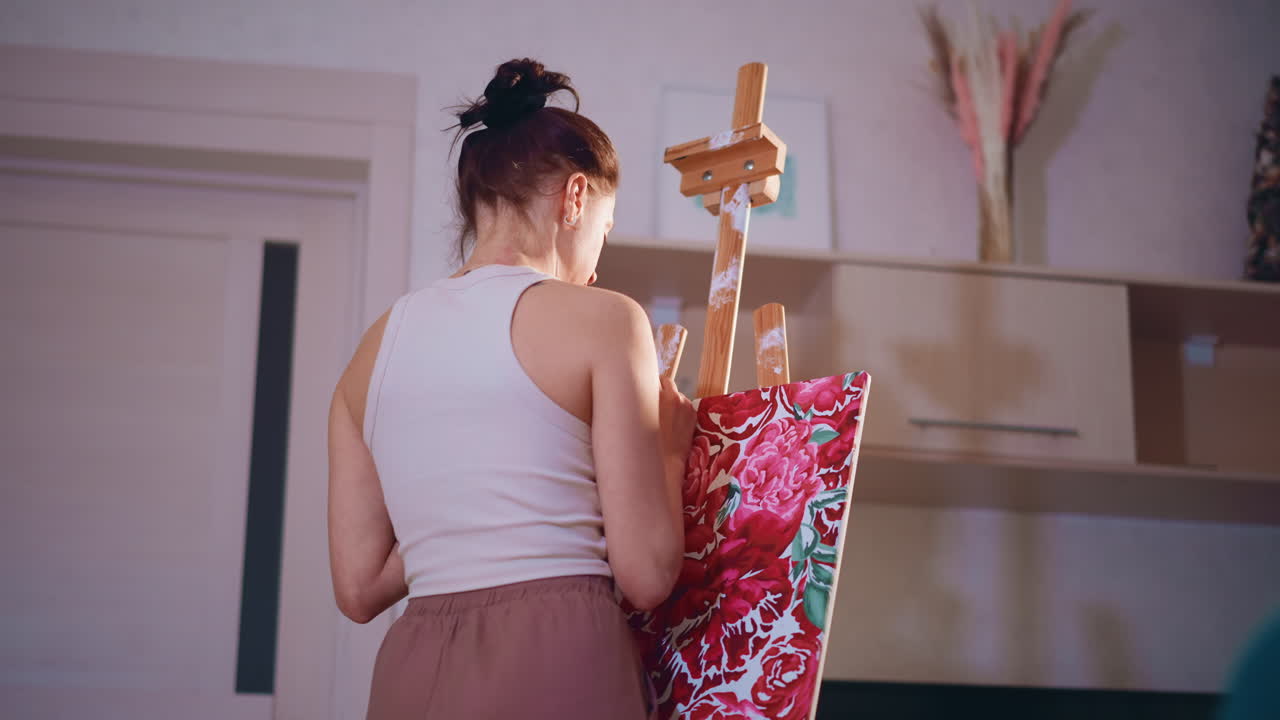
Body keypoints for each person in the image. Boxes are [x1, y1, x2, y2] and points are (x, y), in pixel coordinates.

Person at [326, 58, 695, 720]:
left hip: (414, 669)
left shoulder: (369, 353)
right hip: (555, 656)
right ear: (575, 198)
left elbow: (357, 590)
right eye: (602, 235)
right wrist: (669, 452)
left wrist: (460, 511)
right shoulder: (606, 320)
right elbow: (645, 576)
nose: (596, 264)